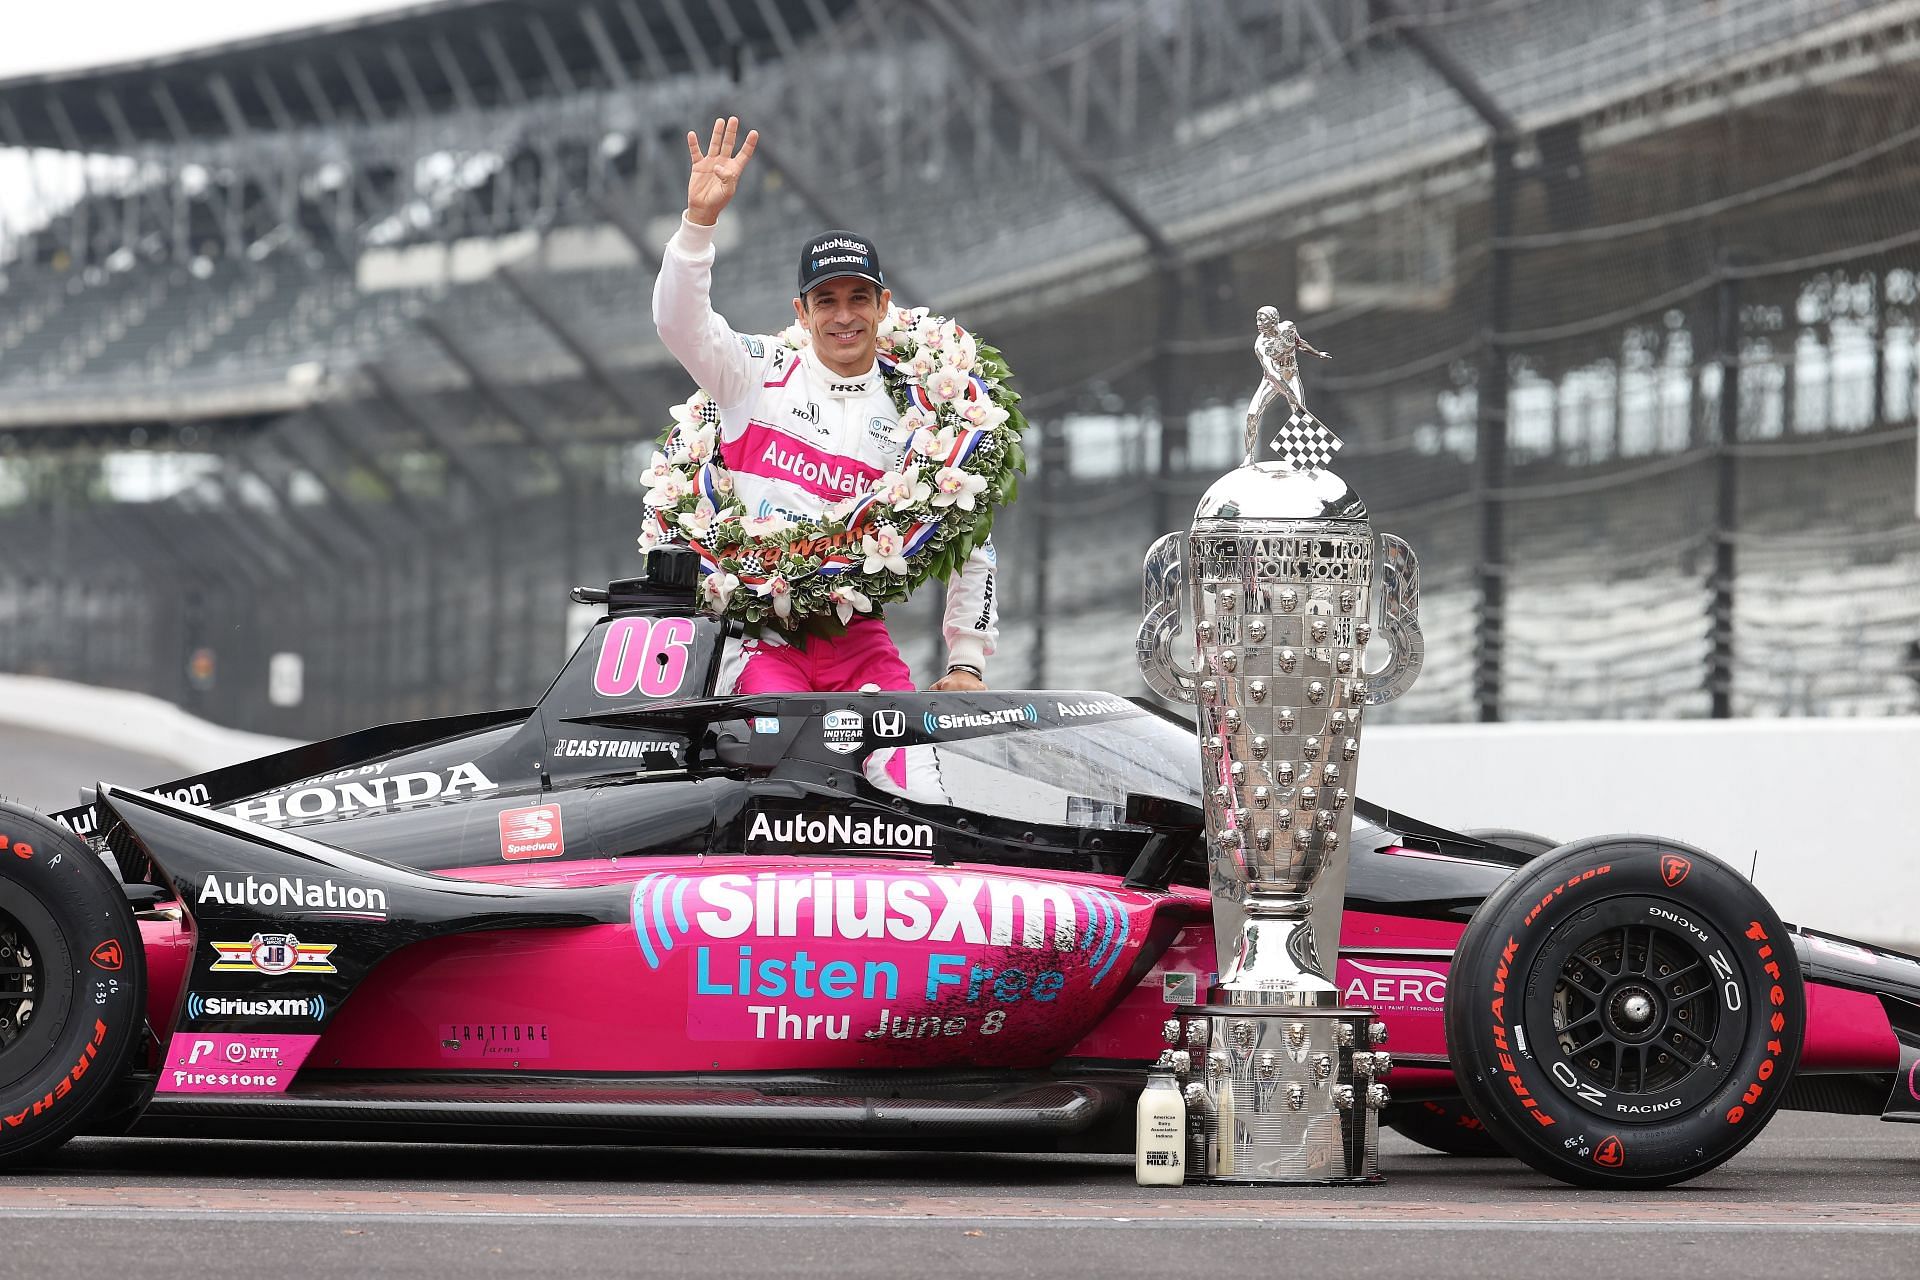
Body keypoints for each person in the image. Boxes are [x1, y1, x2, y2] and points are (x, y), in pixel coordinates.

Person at [652, 117, 998, 695]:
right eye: (826, 301)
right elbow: (678, 324)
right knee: (783, 766)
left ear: (883, 304)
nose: (843, 316)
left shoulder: (925, 410)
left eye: (858, 298)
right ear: (800, 311)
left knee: (908, 777)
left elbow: (970, 537)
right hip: (756, 638)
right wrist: (699, 225)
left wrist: (966, 662)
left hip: (857, 639)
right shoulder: (752, 372)